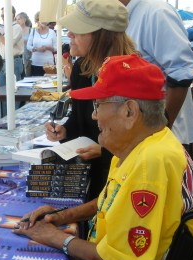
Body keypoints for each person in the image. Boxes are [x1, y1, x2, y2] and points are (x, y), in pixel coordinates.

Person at [14, 54, 193, 260]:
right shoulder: (144, 144)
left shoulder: (149, 163)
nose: (94, 115)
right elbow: (110, 200)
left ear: (129, 111)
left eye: (98, 105)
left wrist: (53, 237)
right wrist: (60, 216)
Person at [44, 0, 138, 202]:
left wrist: (104, 151)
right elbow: (79, 118)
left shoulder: (134, 74)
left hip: (124, 182)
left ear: (100, 36)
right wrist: (64, 130)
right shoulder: (82, 68)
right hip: (89, 176)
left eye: (77, 30)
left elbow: (145, 142)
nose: (69, 35)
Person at [118, 0, 193, 148]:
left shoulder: (156, 11)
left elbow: (182, 73)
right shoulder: (122, 16)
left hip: (164, 140)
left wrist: (162, 128)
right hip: (139, 136)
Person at [0, 6, 24, 86]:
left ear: (13, 15)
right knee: (2, 91)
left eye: (5, 15)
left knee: (14, 90)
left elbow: (8, 44)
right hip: (2, 62)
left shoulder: (16, 27)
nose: (3, 17)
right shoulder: (3, 28)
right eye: (2, 15)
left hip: (13, 61)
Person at [27, 11, 57, 76]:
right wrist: (37, 49)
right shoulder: (33, 31)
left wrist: (48, 48)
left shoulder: (52, 32)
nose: (43, 22)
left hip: (49, 65)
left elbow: (56, 48)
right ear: (37, 21)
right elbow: (28, 46)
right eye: (40, 20)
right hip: (35, 63)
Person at [16, 12, 33, 77]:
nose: (17, 21)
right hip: (18, 57)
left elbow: (34, 43)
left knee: (27, 76)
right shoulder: (15, 30)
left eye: (19, 19)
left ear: (24, 19)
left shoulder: (31, 30)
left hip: (28, 57)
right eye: (16, 19)